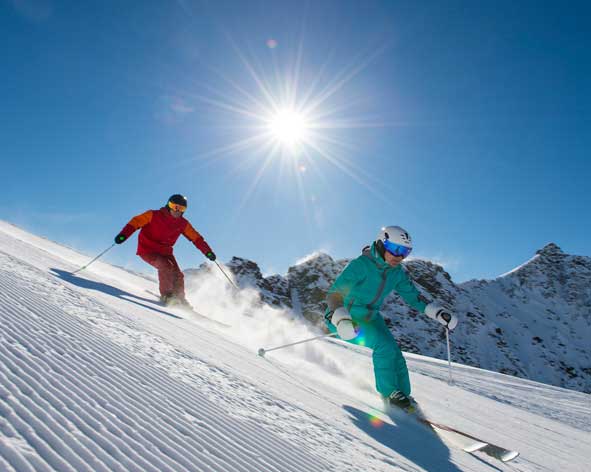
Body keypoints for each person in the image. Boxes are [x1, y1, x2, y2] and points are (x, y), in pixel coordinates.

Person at [325, 225, 458, 411]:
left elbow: (413, 297)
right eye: (395, 249)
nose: (399, 256)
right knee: (384, 347)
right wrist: (340, 319)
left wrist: (436, 312)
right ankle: (389, 394)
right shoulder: (360, 265)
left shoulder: (397, 273)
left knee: (395, 353)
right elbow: (334, 294)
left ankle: (403, 394)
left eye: (405, 252)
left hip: (371, 317)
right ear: (381, 244)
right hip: (347, 319)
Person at [114, 194, 216, 307]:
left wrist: (208, 251)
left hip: (166, 252)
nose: (177, 211)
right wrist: (123, 235)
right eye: (175, 206)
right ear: (169, 205)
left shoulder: (183, 224)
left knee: (178, 275)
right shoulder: (153, 215)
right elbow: (135, 222)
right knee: (166, 266)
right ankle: (167, 295)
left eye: (181, 208)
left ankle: (180, 299)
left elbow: (196, 238)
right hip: (147, 250)